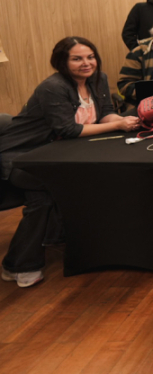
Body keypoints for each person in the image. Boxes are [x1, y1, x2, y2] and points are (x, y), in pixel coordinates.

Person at [0, 37, 140, 287]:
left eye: (90, 57)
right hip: (22, 155)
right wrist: (117, 125)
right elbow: (68, 129)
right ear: (62, 62)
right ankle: (19, 264)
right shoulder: (52, 87)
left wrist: (122, 121)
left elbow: (106, 111)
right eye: (77, 58)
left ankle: (52, 240)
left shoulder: (99, 78)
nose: (86, 63)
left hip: (57, 152)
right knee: (45, 195)